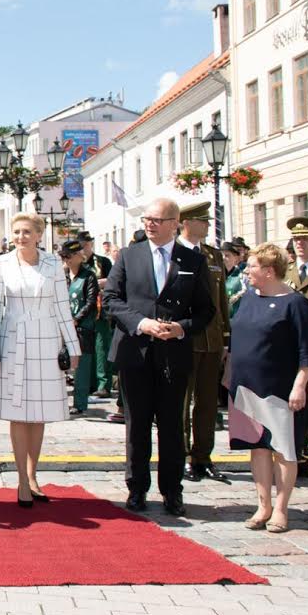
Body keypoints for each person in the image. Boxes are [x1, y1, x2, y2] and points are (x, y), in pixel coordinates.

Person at [103, 197, 216, 516]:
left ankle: (172, 490)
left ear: (174, 224)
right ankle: (136, 489)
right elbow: (111, 298)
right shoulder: (129, 255)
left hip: (173, 354)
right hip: (134, 351)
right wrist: (141, 323)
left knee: (171, 425)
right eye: (147, 219)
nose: (150, 224)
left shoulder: (193, 260)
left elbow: (206, 310)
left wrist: (181, 328)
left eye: (157, 220)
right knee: (136, 425)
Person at [0, 214, 81, 506]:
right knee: (18, 412)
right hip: (13, 338)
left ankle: (33, 475)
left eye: (27, 231)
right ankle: (20, 480)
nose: (21, 237)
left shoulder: (53, 264)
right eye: (16, 232)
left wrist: (72, 346)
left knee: (38, 412)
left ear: (39, 234)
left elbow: (62, 306)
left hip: (45, 339)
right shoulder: (1, 264)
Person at [229, 243, 308, 533]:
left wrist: (299, 386)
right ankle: (262, 505)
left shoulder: (296, 304)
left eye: (251, 266)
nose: (247, 270)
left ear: (268, 271)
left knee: (284, 449)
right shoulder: (248, 298)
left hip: (279, 388)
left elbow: (307, 352)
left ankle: (280, 508)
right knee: (258, 448)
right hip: (246, 387)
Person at [175, 202, 231, 483]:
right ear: (186, 223)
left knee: (208, 402)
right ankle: (183, 456)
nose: (208, 225)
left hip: (211, 340)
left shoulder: (212, 255)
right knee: (182, 402)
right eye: (202, 221)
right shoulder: (174, 254)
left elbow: (221, 302)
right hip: (185, 338)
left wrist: (226, 339)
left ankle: (203, 457)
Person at [286, 217, 308, 470]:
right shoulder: (286, 272)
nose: (300, 244)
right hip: (293, 352)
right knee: (296, 408)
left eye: (305, 239)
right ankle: (301, 458)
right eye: (296, 239)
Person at [60, 240, 99, 415]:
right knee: (61, 363)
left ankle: (80, 402)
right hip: (63, 325)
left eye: (69, 256)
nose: (66, 260)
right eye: (63, 256)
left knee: (82, 367)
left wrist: (77, 319)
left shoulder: (89, 276)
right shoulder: (63, 275)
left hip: (83, 327)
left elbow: (91, 302)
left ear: (78, 256)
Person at [81, 232, 115, 399]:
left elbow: (113, 279)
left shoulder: (103, 261)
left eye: (86, 244)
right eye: (81, 245)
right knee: (87, 348)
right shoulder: (76, 263)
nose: (84, 248)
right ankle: (89, 383)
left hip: (101, 310)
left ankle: (103, 384)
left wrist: (99, 281)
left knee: (102, 347)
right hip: (83, 310)